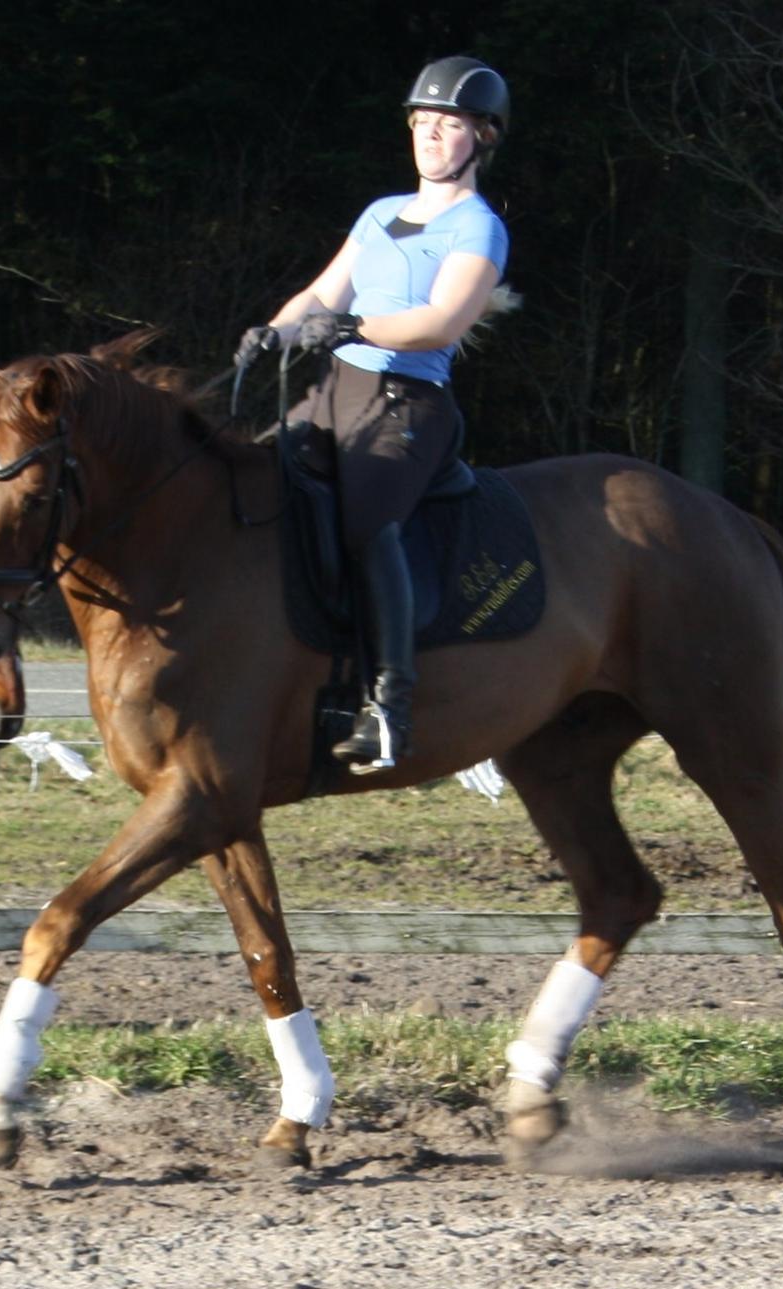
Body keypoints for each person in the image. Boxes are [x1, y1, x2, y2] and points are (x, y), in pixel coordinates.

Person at [235, 55, 511, 773]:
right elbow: (323, 296)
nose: (429, 136)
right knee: (254, 488)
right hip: (335, 390)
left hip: (408, 403)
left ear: (482, 136)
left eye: (447, 125)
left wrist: (357, 330)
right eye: (422, 122)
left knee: (367, 526)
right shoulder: (381, 213)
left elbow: (441, 322)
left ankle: (389, 706)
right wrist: (275, 332)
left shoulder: (478, 228)